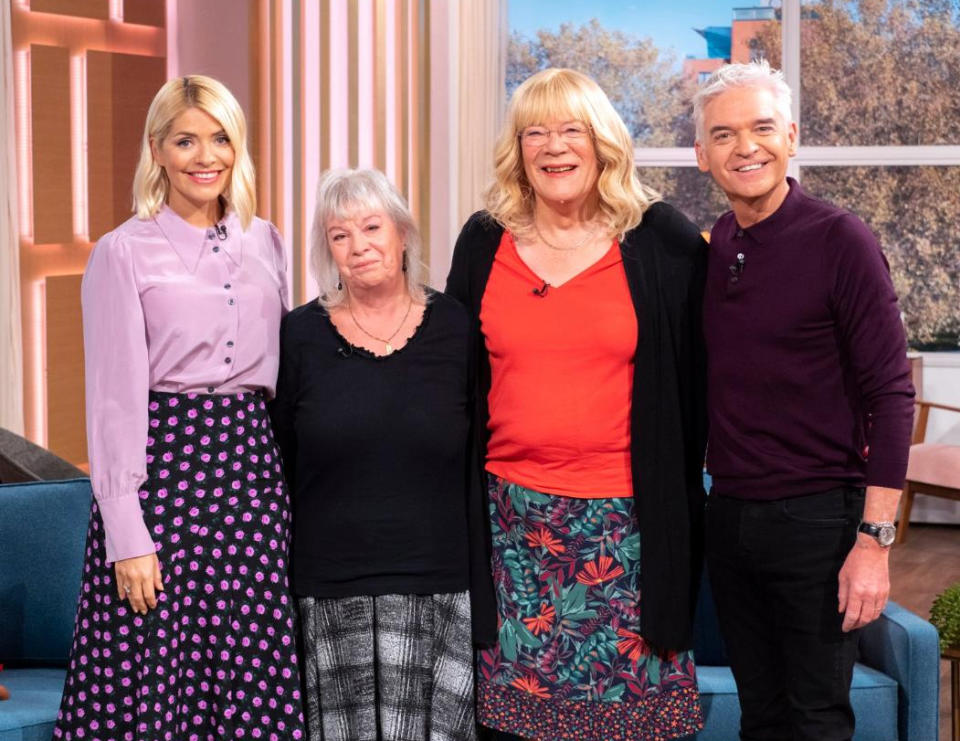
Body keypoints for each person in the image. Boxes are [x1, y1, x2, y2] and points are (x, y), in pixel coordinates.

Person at [446, 68, 707, 741]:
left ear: (603, 143)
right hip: (511, 528)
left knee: (635, 725)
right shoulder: (483, 241)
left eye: (572, 130)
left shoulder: (660, 240)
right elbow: (451, 378)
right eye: (537, 131)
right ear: (518, 149)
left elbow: (712, 368)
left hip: (629, 528)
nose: (555, 147)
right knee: (517, 726)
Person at [53, 75, 305, 740]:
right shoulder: (122, 252)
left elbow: (291, 378)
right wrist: (125, 531)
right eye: (185, 139)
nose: (205, 155)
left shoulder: (267, 241)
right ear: (157, 150)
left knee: (256, 669)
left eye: (219, 137)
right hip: (165, 478)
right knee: (164, 679)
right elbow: (112, 399)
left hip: (255, 477)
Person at [693, 60, 915, 741]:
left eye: (762, 128)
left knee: (815, 718)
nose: (745, 147)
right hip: (729, 516)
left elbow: (892, 392)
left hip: (818, 521)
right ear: (702, 155)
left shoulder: (839, 238)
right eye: (724, 134)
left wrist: (874, 542)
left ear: (791, 136)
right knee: (761, 714)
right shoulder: (718, 243)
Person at [270, 168, 487, 741]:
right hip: (330, 587)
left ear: (403, 235)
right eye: (340, 235)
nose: (359, 245)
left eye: (372, 226)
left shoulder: (457, 326)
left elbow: (478, 454)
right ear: (327, 250)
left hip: (439, 583)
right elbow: (281, 461)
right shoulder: (297, 335)